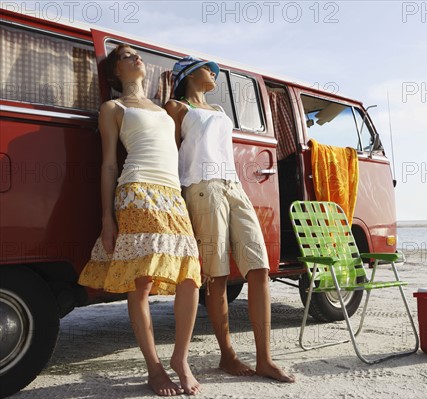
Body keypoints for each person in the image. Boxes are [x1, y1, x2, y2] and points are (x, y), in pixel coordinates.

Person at [79, 45, 202, 396]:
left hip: (172, 195)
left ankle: (181, 359)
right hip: (137, 191)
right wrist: (107, 218)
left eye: (137, 55)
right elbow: (108, 164)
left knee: (190, 276)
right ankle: (154, 367)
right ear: (115, 72)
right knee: (143, 281)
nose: (136, 59)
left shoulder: (164, 109)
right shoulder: (113, 108)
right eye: (127, 56)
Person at [165, 56, 294, 383]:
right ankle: (227, 354)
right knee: (217, 276)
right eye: (210, 69)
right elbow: (170, 154)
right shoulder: (177, 107)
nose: (215, 73)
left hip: (233, 186)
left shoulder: (220, 112)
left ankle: (264, 358)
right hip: (201, 186)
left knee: (260, 267)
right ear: (190, 74)